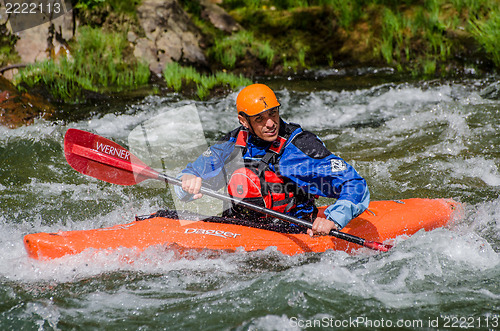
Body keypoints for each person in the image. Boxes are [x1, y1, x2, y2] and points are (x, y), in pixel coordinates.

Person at [175, 83, 370, 236]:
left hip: (292, 229)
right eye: (259, 118)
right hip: (238, 227)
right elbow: (190, 175)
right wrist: (187, 181)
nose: (270, 124)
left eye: (273, 113)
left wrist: (333, 220)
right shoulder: (233, 143)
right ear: (243, 121)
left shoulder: (300, 147)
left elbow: (355, 184)